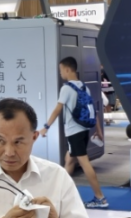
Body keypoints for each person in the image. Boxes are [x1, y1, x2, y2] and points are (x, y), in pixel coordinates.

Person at [41, 57, 108, 209]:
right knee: (69, 161)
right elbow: (93, 110)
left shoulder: (66, 89)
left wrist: (46, 127)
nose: (60, 74)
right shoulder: (84, 87)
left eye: (61, 70)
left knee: (84, 163)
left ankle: (100, 197)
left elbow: (57, 109)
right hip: (84, 130)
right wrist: (98, 130)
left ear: (67, 69)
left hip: (74, 132)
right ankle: (58, 194)